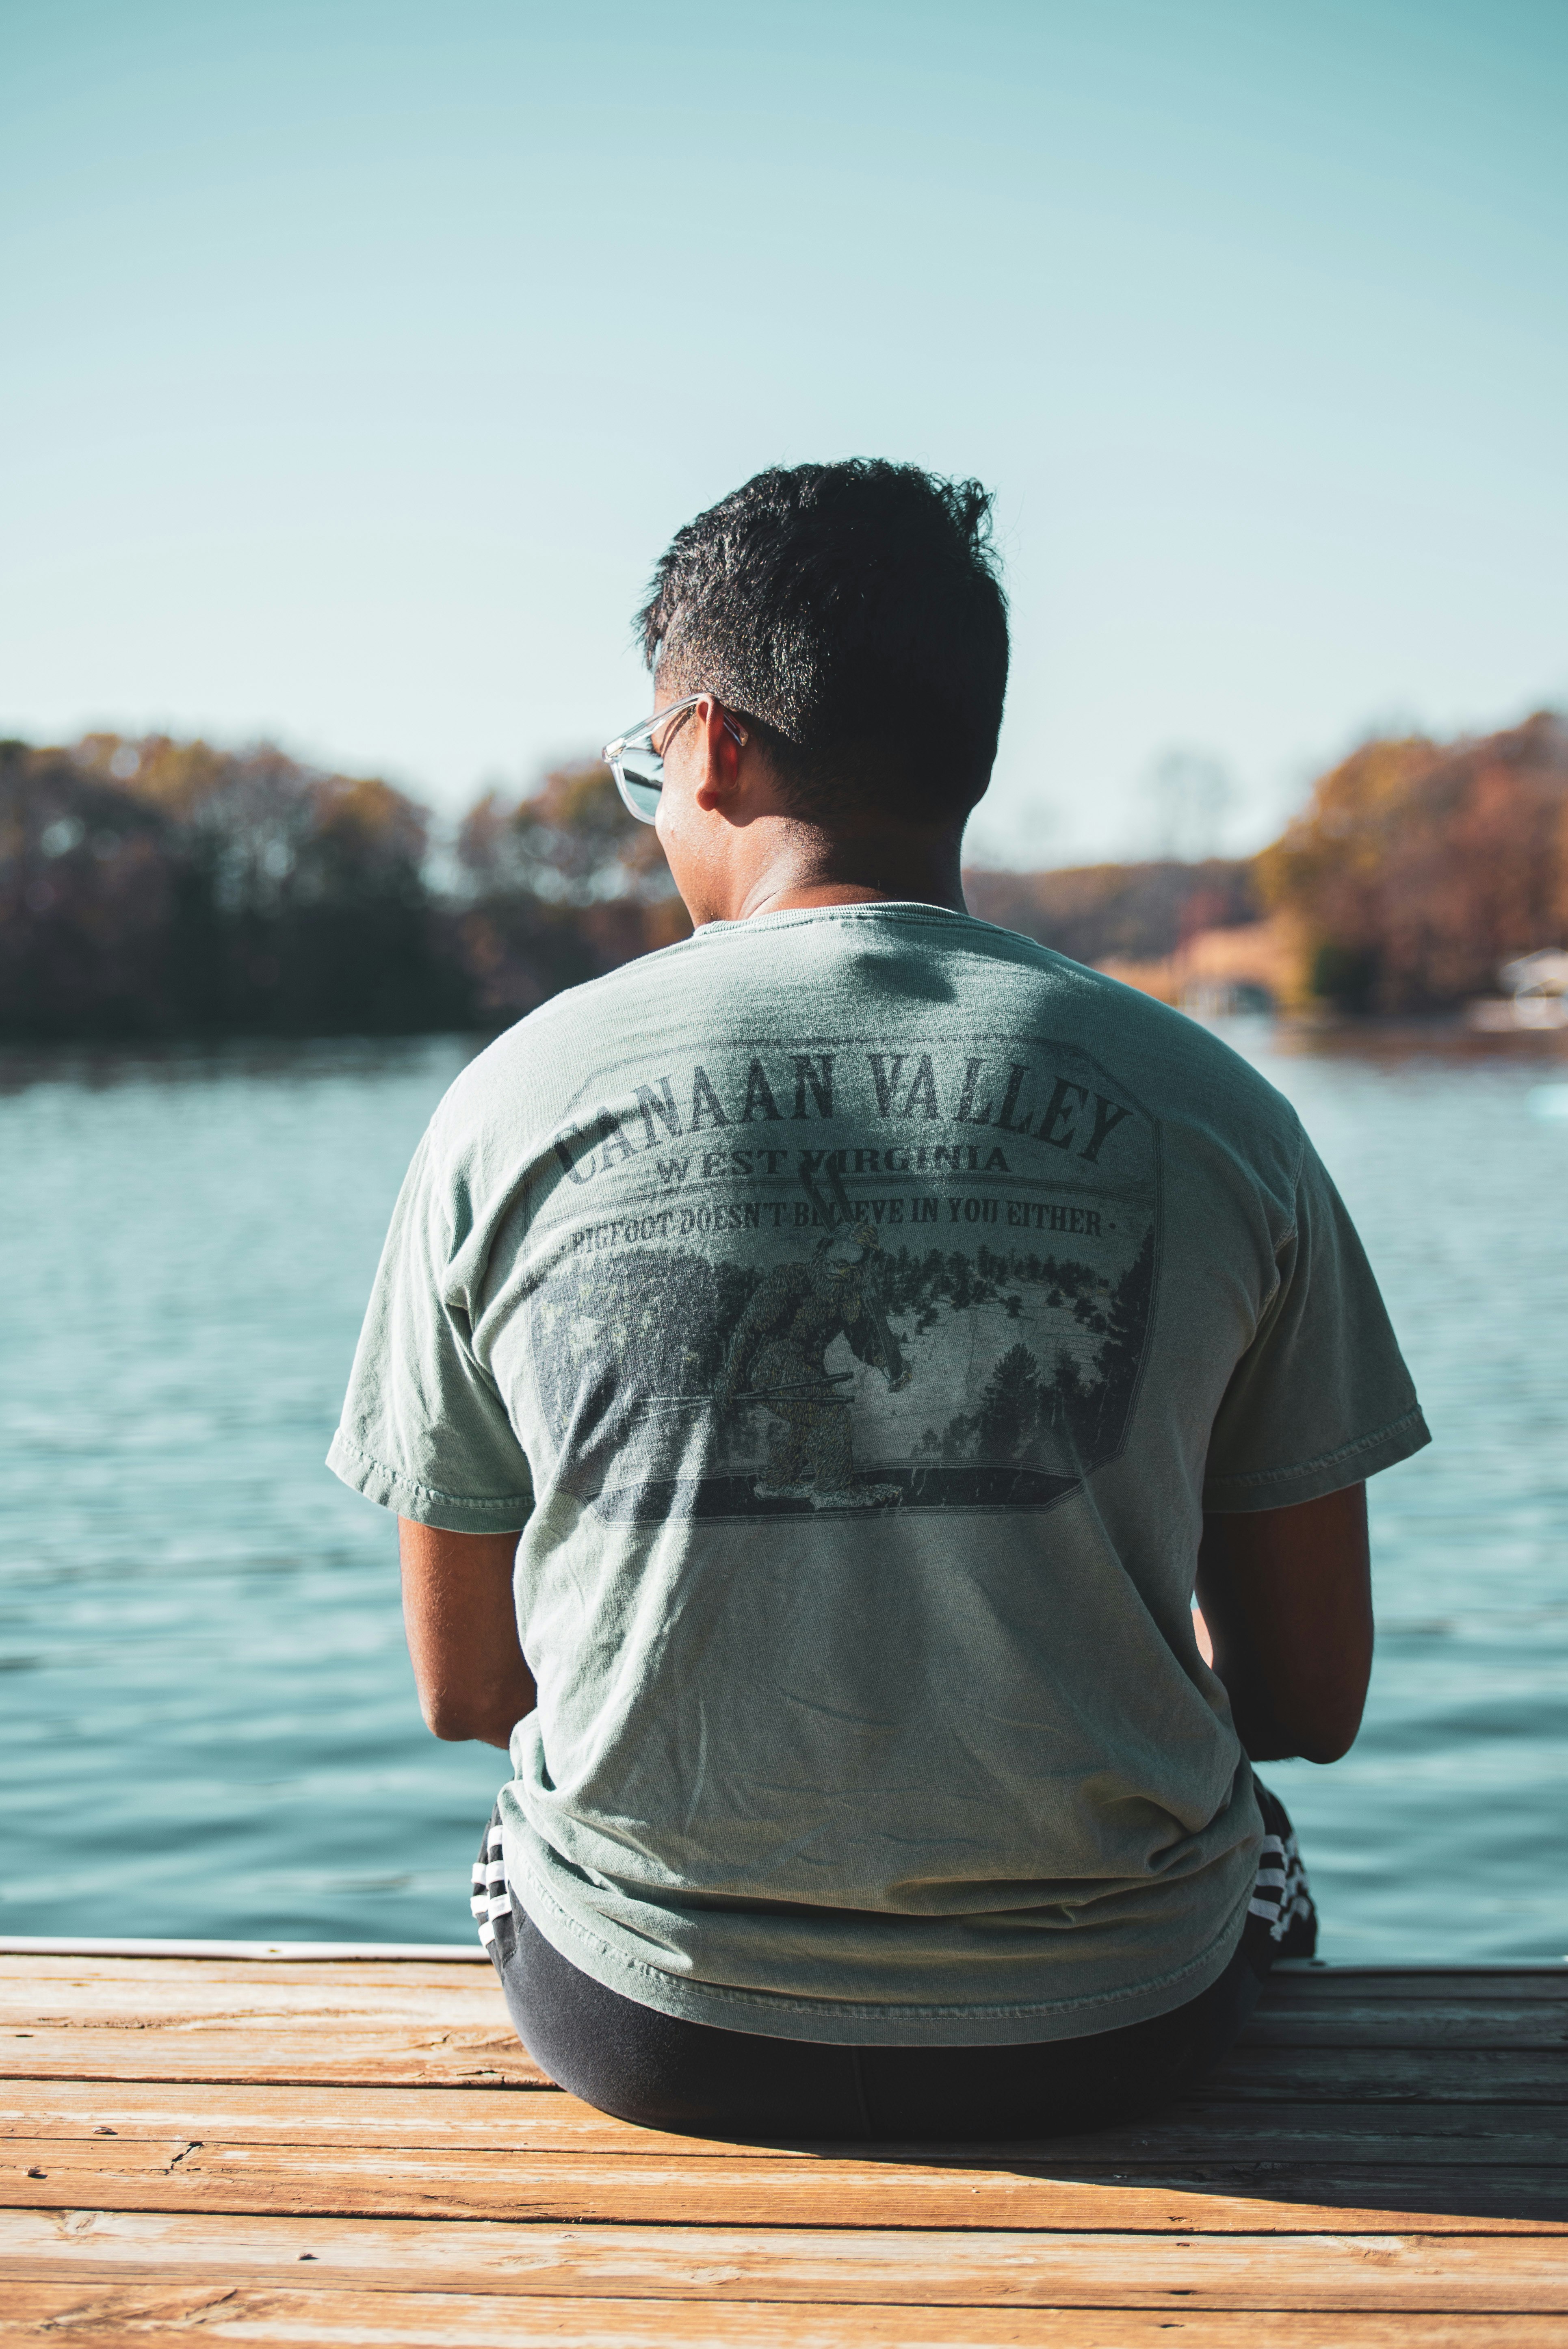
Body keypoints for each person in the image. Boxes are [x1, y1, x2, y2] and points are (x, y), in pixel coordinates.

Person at [329, 460, 1429, 2141]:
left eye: (649, 773)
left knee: (510, 1833)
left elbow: (471, 1693)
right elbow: (1306, 1704)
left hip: (655, 2030)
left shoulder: (507, 1105)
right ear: (965, 754)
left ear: (711, 743)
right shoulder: (1216, 1113)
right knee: (1257, 1848)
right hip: (1113, 2028)